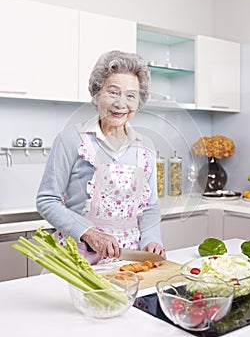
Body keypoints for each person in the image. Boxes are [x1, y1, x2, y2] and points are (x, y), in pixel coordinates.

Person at [36, 50, 166, 265]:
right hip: (79, 258)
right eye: (113, 92)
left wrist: (152, 240)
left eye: (131, 95)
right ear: (97, 94)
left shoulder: (146, 148)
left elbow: (150, 206)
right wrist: (89, 233)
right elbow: (47, 200)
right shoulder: (71, 139)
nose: (121, 103)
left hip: (130, 261)